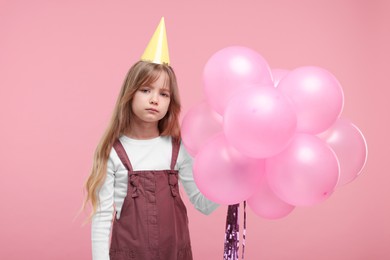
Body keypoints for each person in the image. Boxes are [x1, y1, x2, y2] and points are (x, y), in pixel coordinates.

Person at [83, 18, 219, 260]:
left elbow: (203, 204)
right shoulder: (114, 152)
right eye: (146, 90)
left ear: (170, 102)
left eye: (163, 93)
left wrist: (228, 182)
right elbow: (103, 216)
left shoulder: (178, 150)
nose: (154, 99)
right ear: (130, 94)